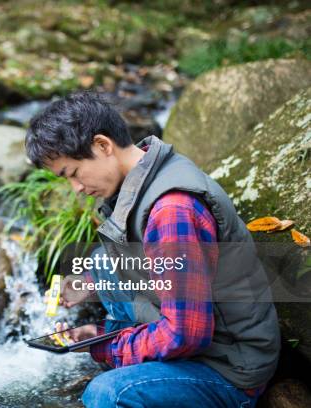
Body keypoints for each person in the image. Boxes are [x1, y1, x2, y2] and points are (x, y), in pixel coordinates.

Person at [28, 91, 280, 407]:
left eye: (73, 173)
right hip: (202, 334)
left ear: (103, 145)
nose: (76, 189)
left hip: (227, 366)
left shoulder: (173, 210)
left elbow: (185, 335)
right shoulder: (148, 169)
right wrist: (91, 292)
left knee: (108, 394)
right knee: (101, 261)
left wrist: (104, 346)